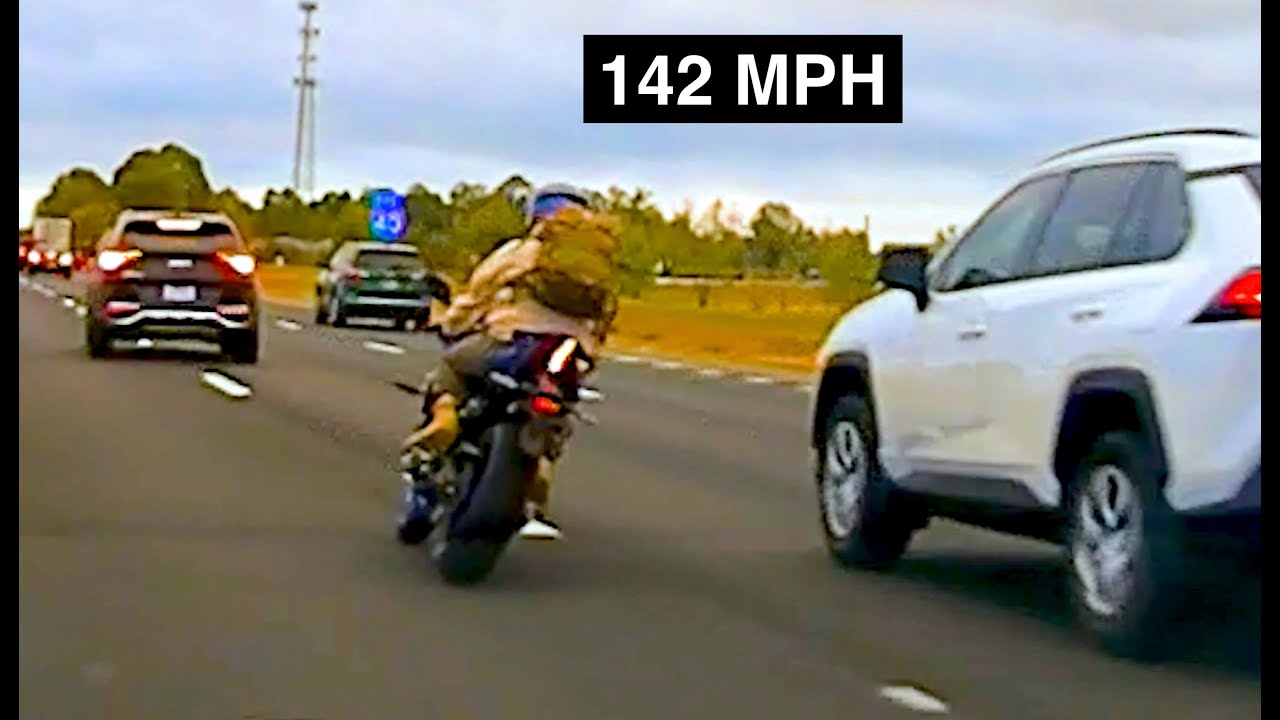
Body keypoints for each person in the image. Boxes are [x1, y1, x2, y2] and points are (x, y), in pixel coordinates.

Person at [401, 184, 619, 539]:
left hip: (511, 342)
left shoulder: (521, 252)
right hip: (566, 354)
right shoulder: (598, 267)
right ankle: (542, 460)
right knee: (561, 405)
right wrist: (587, 356)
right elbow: (606, 318)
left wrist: (452, 323)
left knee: (453, 365)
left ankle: (443, 416)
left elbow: (478, 292)